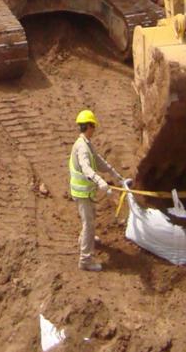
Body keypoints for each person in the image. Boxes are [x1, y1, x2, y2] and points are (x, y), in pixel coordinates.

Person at [68, 109, 124, 271]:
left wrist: (115, 174)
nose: (95, 130)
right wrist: (101, 182)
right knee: (89, 224)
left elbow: (98, 161)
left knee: (90, 219)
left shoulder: (86, 144)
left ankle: (85, 238)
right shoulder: (82, 148)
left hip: (87, 192)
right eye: (93, 127)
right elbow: (86, 168)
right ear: (89, 127)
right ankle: (85, 260)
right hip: (82, 193)